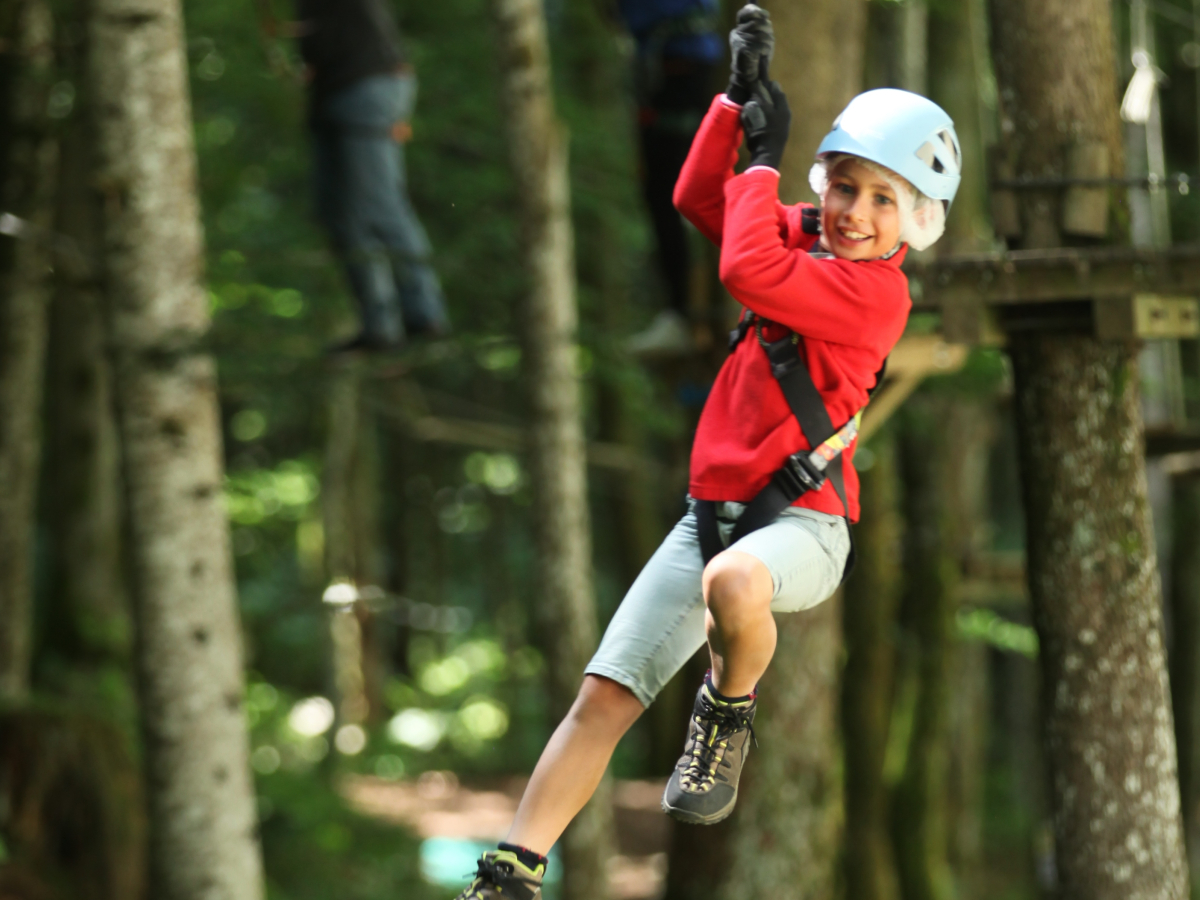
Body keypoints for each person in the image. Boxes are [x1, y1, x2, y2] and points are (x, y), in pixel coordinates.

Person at [454, 6, 961, 898]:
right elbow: (698, 203)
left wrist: (763, 164)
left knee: (733, 585)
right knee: (604, 695)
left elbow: (745, 272)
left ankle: (727, 713)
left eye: (885, 201)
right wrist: (733, 109)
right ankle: (512, 870)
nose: (854, 213)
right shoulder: (802, 230)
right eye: (845, 186)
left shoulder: (876, 298)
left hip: (804, 527)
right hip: (712, 519)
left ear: (916, 223)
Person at [299, 0, 450, 354]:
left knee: (381, 207)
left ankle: (424, 315)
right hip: (339, 92)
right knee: (341, 215)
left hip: (365, 88)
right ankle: (381, 326)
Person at [615, 0, 724, 357]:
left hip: (680, 68)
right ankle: (687, 312)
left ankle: (687, 314)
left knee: (673, 193)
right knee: (666, 192)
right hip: (670, 68)